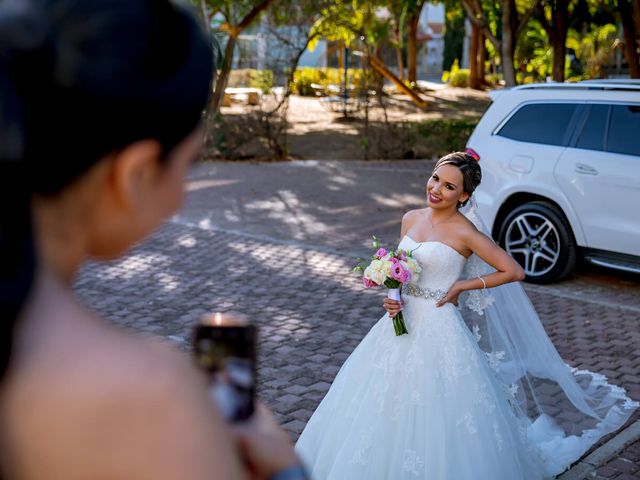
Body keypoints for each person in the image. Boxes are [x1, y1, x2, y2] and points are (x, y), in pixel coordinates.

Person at [0, 1, 307, 479]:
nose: (181, 196)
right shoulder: (143, 394)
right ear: (137, 173)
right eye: (187, 165)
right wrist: (286, 469)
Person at [295, 152, 638, 479]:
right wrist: (392, 297)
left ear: (463, 196)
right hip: (398, 325)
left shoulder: (465, 232)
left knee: (439, 409)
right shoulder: (410, 218)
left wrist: (463, 286)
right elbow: (401, 270)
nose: (436, 189)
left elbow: (514, 271)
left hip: (439, 325)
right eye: (435, 178)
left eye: (449, 187)